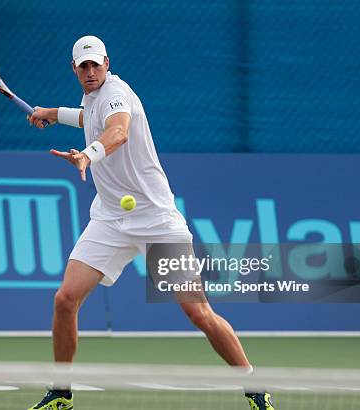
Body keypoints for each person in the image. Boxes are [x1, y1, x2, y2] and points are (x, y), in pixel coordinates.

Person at [27, 35, 275, 410]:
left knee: (198, 312)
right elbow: (89, 118)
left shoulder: (116, 93)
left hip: (157, 220)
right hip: (110, 218)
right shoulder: (92, 99)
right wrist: (51, 112)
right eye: (84, 66)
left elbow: (118, 130)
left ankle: (255, 388)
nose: (91, 72)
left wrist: (88, 156)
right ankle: (61, 393)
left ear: (107, 64)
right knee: (65, 299)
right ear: (74, 69)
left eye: (96, 65)